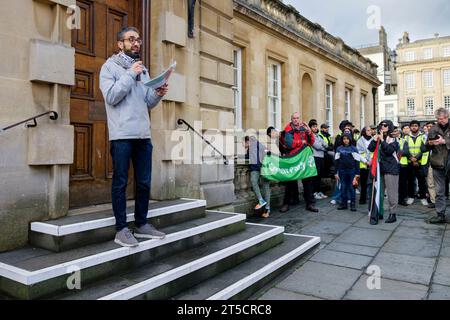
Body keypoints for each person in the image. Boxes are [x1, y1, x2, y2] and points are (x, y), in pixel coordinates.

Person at [100, 27, 169, 247]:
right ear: (120, 44)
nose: (137, 43)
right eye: (131, 39)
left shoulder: (143, 70)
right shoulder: (109, 67)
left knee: (144, 182)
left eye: (138, 40)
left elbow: (147, 102)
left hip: (143, 134)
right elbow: (111, 97)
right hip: (121, 135)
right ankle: (121, 229)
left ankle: (141, 224)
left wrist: (157, 94)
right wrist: (131, 73)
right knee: (120, 182)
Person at [279, 112, 318, 213]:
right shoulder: (288, 128)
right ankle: (286, 203)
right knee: (290, 181)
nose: (296, 120)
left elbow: (311, 142)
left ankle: (310, 203)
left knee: (307, 181)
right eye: (294, 118)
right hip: (293, 157)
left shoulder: (304, 128)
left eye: (297, 118)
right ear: (291, 119)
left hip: (304, 158)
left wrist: (309, 132)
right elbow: (289, 143)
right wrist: (301, 142)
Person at [368, 120, 400, 224]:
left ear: (389, 127)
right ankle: (379, 211)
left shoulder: (394, 138)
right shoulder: (378, 136)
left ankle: (393, 214)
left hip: (391, 168)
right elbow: (370, 149)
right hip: (380, 168)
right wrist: (375, 139)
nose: (383, 127)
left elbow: (390, 150)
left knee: (392, 193)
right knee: (379, 192)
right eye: (381, 125)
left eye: (385, 125)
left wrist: (382, 140)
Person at [424, 108, 450, 224]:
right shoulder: (433, 129)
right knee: (439, 192)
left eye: (442, 119)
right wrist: (429, 143)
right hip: (438, 164)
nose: (440, 121)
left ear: (447, 116)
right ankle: (440, 215)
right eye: (438, 119)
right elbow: (425, 147)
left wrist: (444, 141)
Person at [244, 136, 271, 218]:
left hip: (261, 168)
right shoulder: (253, 147)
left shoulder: (257, 145)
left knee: (263, 186)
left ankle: (266, 207)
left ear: (248, 141)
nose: (244, 145)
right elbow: (248, 157)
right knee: (259, 184)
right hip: (259, 169)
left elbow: (268, 152)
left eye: (245, 143)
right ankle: (263, 202)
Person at [405, 120, 428, 206]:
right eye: (412, 126)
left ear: (419, 127)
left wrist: (416, 159)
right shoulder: (406, 137)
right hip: (410, 162)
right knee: (410, 181)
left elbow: (424, 149)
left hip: (420, 163)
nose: (414, 127)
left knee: (422, 181)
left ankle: (423, 197)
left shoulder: (423, 137)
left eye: (416, 126)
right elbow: (405, 150)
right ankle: (411, 197)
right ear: (410, 127)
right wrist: (411, 158)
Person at [335, 133, 360, 211]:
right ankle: (343, 204)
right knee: (343, 187)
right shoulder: (339, 149)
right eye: (344, 139)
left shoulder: (354, 149)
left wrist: (357, 173)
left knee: (352, 187)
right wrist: (336, 172)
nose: (346, 140)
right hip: (342, 171)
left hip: (352, 171)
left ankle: (352, 204)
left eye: (347, 139)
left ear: (350, 139)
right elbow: (336, 161)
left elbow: (357, 161)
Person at [310, 120, 329, 200]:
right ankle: (314, 192)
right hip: (315, 156)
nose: (315, 128)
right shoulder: (311, 136)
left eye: (316, 126)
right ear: (310, 128)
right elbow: (317, 146)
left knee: (320, 175)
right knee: (316, 176)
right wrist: (323, 148)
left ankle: (318, 191)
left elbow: (326, 144)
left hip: (321, 157)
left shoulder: (318, 136)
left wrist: (322, 146)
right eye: (313, 127)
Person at [357, 127, 373, 205]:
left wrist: (372, 161)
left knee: (371, 182)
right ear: (364, 131)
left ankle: (371, 197)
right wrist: (365, 161)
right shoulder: (360, 140)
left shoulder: (374, 140)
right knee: (363, 183)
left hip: (372, 164)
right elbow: (358, 153)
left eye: (371, 130)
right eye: (368, 130)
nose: (370, 131)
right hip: (363, 164)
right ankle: (362, 199)